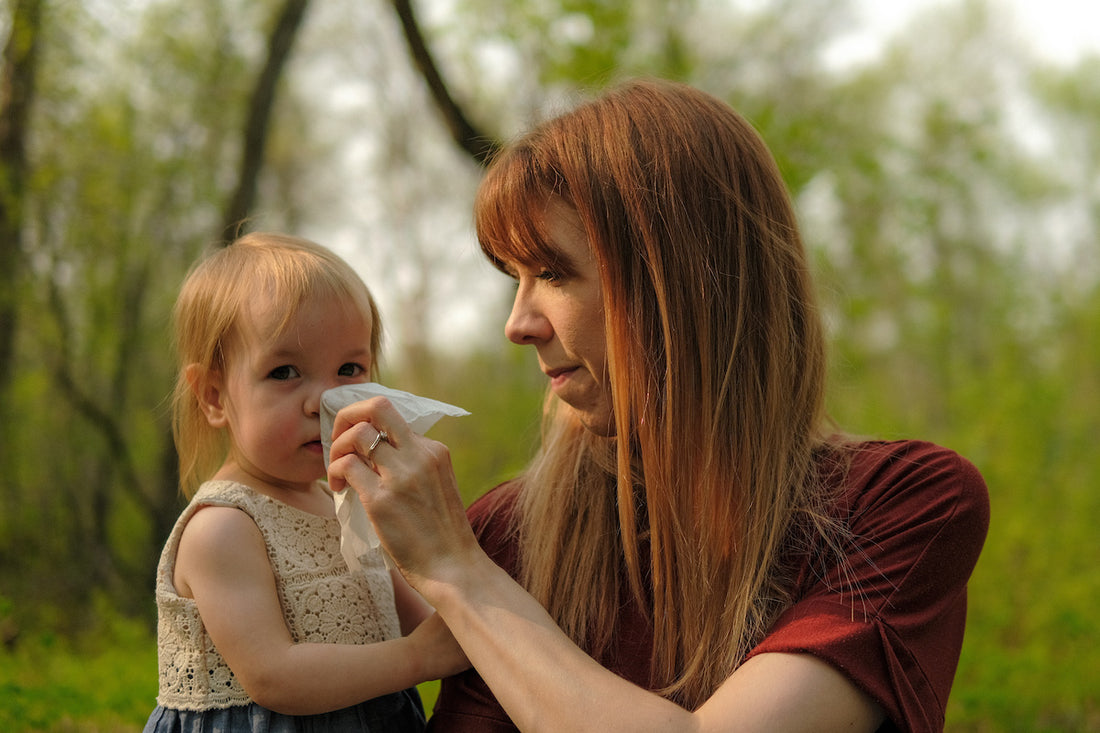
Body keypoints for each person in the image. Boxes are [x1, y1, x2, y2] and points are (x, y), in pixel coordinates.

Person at [327, 79, 990, 733]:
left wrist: (458, 573)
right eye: (514, 278)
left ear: (678, 287)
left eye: (554, 273)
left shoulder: (900, 506)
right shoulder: (506, 535)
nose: (518, 323)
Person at [144, 232, 466, 733]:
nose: (324, 401)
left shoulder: (354, 502)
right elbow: (275, 677)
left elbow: (421, 621)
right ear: (213, 396)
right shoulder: (224, 529)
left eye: (349, 368)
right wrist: (418, 659)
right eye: (285, 371)